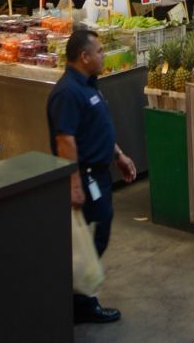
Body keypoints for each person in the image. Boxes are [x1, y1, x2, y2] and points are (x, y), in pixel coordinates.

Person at [47, 25, 137, 325]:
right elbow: (66, 140)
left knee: (99, 228)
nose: (103, 56)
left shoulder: (88, 84)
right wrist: (73, 183)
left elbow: (96, 127)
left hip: (100, 172)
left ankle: (78, 296)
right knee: (90, 235)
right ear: (84, 57)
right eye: (99, 52)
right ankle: (80, 302)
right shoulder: (67, 93)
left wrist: (118, 155)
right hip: (84, 176)